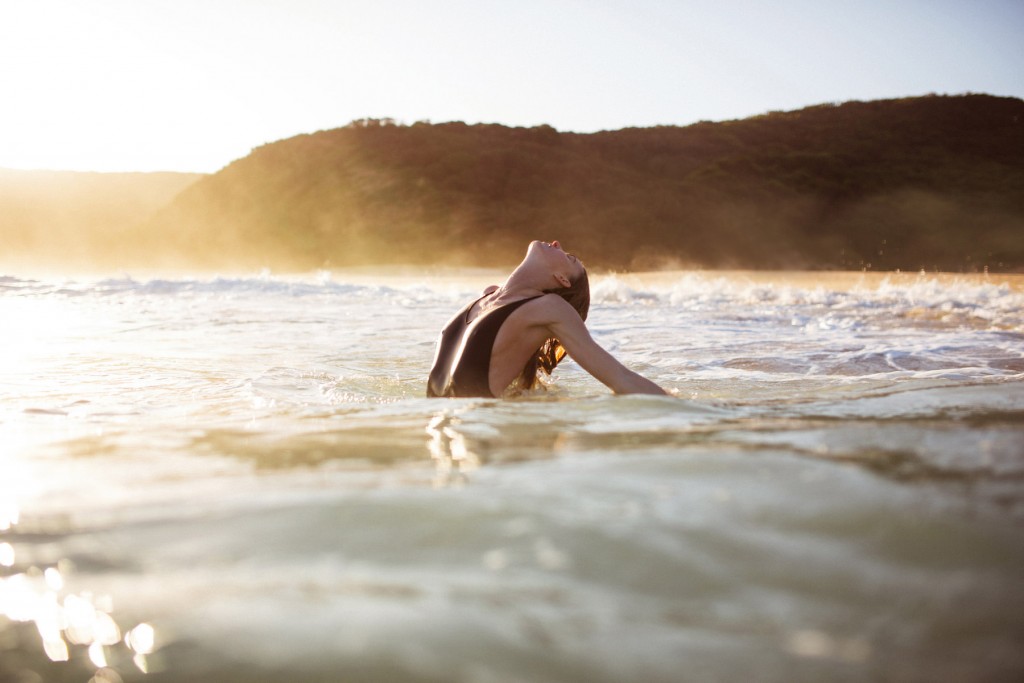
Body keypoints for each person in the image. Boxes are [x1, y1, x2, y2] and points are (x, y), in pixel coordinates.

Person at [427, 240, 667, 398]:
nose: (557, 244)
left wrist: (690, 411)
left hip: (479, 441)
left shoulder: (550, 308)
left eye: (569, 257)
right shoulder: (487, 296)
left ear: (562, 279)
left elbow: (620, 378)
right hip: (444, 440)